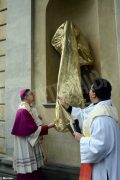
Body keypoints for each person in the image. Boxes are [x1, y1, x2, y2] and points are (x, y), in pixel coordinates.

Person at [60, 78, 120, 180]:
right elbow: (85, 115)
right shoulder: (103, 108)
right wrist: (68, 107)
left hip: (103, 168)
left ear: (94, 94)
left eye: (91, 89)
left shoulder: (101, 118)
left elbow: (99, 147)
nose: (89, 92)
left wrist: (81, 139)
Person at [11, 89, 55, 180]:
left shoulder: (28, 108)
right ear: (26, 97)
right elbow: (32, 130)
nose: (33, 95)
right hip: (25, 142)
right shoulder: (23, 111)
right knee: (28, 165)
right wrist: (49, 126)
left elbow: (33, 125)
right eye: (31, 94)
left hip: (28, 140)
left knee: (33, 163)